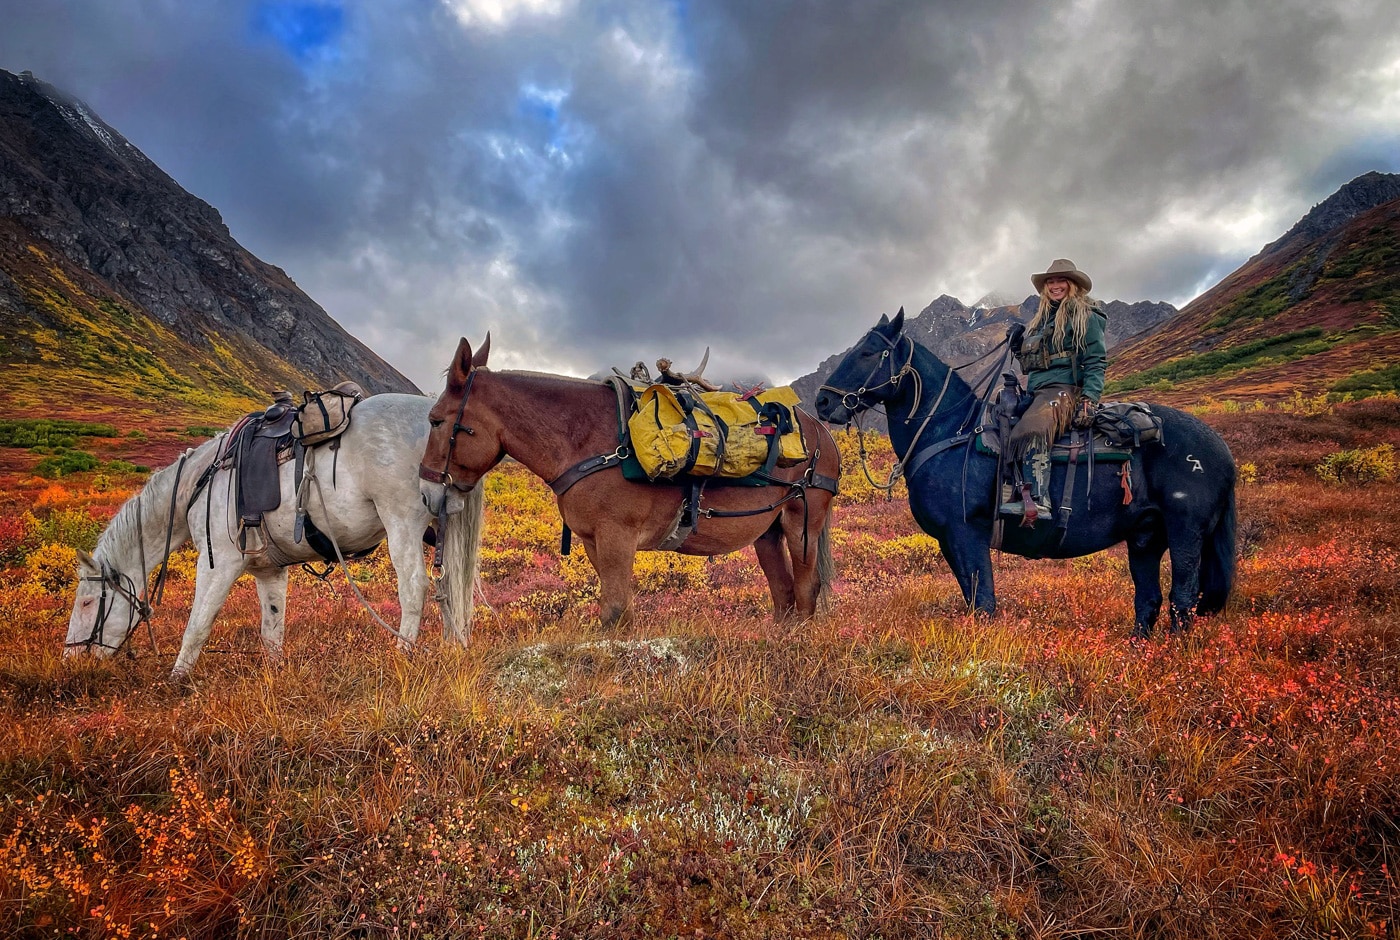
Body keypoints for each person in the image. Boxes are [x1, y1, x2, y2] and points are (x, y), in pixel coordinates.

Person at [1002, 259, 1107, 519]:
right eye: (1051, 281)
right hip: (1037, 390)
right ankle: (1007, 490)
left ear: (1073, 285)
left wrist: (1089, 399)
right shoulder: (1041, 320)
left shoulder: (1087, 316)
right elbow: (1033, 365)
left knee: (1033, 429)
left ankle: (1038, 499)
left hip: (1065, 389)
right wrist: (1017, 346)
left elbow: (1095, 361)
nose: (1055, 285)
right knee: (1000, 420)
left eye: (1061, 280)